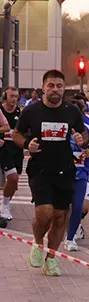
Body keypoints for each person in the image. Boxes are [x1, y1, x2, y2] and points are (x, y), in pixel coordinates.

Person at [12, 70, 87, 276]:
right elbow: (16, 134)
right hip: (41, 169)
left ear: (64, 88)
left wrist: (83, 139)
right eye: (51, 85)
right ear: (43, 87)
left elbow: (84, 133)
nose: (55, 89)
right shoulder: (31, 111)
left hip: (65, 169)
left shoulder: (72, 111)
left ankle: (51, 258)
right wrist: (27, 144)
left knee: (60, 216)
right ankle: (37, 243)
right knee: (44, 212)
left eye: (59, 86)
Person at [63, 94, 89, 252]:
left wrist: (88, 153)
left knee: (79, 207)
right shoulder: (61, 127)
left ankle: (70, 238)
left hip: (82, 172)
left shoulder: (88, 129)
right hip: (62, 172)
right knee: (63, 208)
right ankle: (66, 233)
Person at [0, 86, 24, 221]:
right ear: (5, 97)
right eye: (11, 96)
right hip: (3, 149)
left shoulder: (21, 113)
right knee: (13, 177)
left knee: (14, 181)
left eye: (16, 97)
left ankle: (6, 203)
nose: (14, 99)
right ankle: (5, 204)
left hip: (16, 150)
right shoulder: (0, 111)